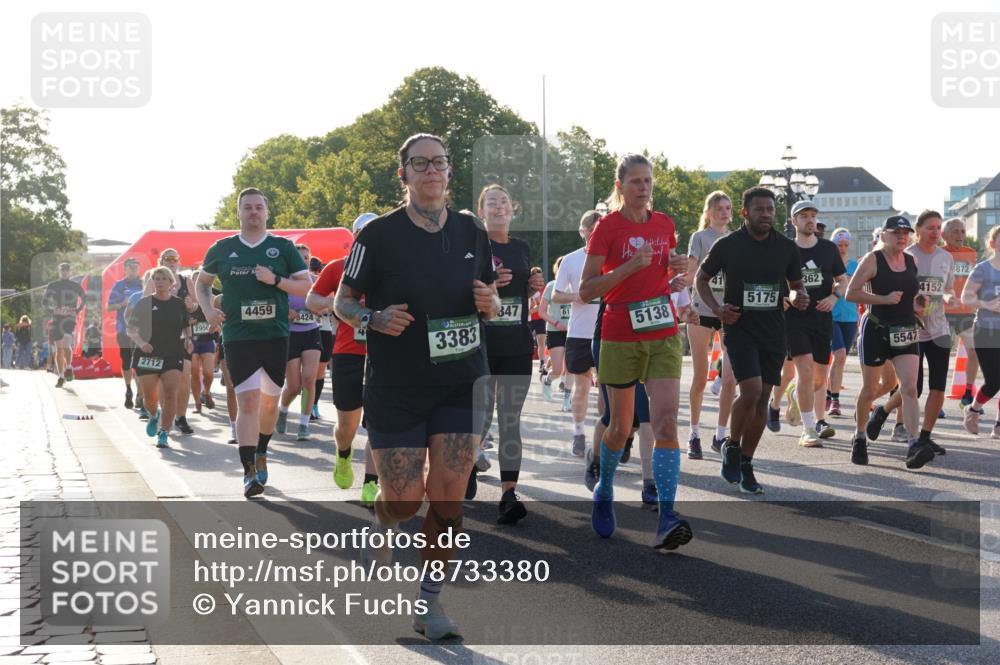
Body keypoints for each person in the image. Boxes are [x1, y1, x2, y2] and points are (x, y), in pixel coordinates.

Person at [334, 133, 500, 640]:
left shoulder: (473, 231)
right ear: (403, 173)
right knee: (405, 501)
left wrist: (490, 303)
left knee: (448, 496)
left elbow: (488, 295)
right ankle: (386, 515)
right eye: (419, 163)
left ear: (450, 173)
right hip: (397, 384)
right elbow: (343, 301)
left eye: (440, 162)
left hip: (461, 381)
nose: (431, 170)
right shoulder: (378, 236)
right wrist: (373, 316)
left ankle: (430, 605)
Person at [579, 153, 692, 549]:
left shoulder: (664, 223)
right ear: (620, 186)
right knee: (620, 427)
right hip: (619, 332)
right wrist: (628, 268)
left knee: (665, 422)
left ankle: (666, 515)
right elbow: (588, 289)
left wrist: (677, 274)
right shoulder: (607, 228)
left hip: (662, 330)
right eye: (635, 182)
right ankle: (605, 489)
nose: (643, 188)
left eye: (648, 182)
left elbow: (662, 276)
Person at [196, 187, 311, 498]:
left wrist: (275, 280)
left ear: (266, 212)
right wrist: (208, 309)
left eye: (259, 207)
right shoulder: (222, 248)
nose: (253, 212)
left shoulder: (282, 247)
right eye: (247, 207)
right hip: (238, 335)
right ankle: (249, 473)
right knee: (247, 401)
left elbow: (305, 287)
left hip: (274, 335)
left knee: (270, 402)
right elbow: (202, 283)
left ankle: (262, 449)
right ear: (239, 213)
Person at [696, 187, 808, 494]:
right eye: (759, 210)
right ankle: (732, 445)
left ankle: (746, 461)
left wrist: (799, 297)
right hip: (739, 328)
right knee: (752, 390)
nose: (766, 215)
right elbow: (701, 278)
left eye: (770, 210)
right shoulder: (728, 245)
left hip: (774, 330)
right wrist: (717, 310)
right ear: (745, 213)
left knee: (762, 399)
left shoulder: (785, 248)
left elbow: (796, 285)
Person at [469, 184, 544, 523]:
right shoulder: (472, 247)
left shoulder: (521, 247)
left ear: (512, 210)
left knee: (510, 418)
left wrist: (531, 285)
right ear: (481, 210)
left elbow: (524, 293)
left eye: (504, 203)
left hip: (515, 343)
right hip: (481, 345)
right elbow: (458, 291)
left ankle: (508, 494)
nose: (499, 207)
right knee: (480, 416)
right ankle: (468, 462)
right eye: (492, 203)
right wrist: (489, 284)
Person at [846, 215, 933, 469]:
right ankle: (860, 436)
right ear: (883, 235)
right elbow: (850, 293)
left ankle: (914, 444)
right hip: (876, 327)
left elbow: (912, 293)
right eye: (896, 232)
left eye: (906, 232)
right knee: (870, 389)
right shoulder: (873, 259)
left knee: (909, 388)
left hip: (905, 327)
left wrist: (919, 302)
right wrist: (883, 299)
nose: (902, 236)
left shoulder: (911, 260)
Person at [866, 211, 954, 454]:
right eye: (930, 228)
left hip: (939, 328)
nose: (935, 232)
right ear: (918, 230)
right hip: (911, 328)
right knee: (912, 386)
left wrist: (949, 296)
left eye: (938, 228)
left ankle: (924, 437)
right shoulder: (907, 256)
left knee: (938, 386)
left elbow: (946, 288)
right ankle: (883, 411)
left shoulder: (946, 257)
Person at [308, 213, 380, 504]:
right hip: (348, 352)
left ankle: (371, 483)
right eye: (362, 232)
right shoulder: (339, 268)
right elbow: (312, 300)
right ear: (354, 236)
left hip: (384, 355)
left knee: (378, 424)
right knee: (347, 426)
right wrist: (332, 304)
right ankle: (343, 453)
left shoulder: (393, 269)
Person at [767, 200, 847, 447]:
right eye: (804, 216)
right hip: (794, 319)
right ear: (794, 221)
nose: (810, 220)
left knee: (820, 378)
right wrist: (786, 297)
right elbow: (774, 283)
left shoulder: (828, 249)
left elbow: (843, 280)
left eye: (813, 216)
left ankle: (793, 392)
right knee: (805, 370)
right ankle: (809, 429)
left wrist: (834, 297)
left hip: (822, 318)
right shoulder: (784, 250)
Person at [686, 190, 738, 458]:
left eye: (728, 207)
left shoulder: (737, 238)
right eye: (719, 207)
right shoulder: (700, 237)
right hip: (701, 310)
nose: (724, 212)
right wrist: (685, 302)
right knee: (699, 377)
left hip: (728, 312)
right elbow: (692, 272)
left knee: (730, 379)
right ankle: (694, 433)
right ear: (708, 212)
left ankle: (720, 435)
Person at [552, 211, 602, 456]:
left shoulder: (613, 258)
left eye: (600, 229)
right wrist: (579, 296)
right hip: (580, 332)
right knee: (582, 386)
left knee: (608, 388)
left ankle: (607, 434)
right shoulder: (571, 260)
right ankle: (579, 432)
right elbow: (556, 295)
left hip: (609, 331)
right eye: (591, 230)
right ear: (583, 232)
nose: (596, 233)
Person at [127, 267, 194, 448]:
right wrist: (142, 343)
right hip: (148, 354)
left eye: (164, 278)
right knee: (150, 397)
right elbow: (131, 330)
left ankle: (164, 432)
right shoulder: (144, 303)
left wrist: (188, 339)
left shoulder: (179, 304)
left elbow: (186, 326)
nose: (160, 281)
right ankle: (154, 415)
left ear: (171, 282)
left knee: (171, 393)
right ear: (152, 282)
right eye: (156, 278)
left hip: (173, 353)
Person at [275, 243, 323, 441]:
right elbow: (274, 304)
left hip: (311, 332)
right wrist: (286, 311)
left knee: (310, 379)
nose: (302, 260)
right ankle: (283, 409)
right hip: (290, 334)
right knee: (294, 386)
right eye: (298, 257)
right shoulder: (284, 281)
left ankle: (304, 424)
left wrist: (318, 309)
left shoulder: (315, 281)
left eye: (306, 257)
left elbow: (328, 304)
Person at [149, 249, 199, 435]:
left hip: (183, 336)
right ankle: (165, 416)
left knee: (185, 377)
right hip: (160, 339)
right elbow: (145, 304)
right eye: (167, 259)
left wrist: (191, 306)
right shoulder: (153, 279)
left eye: (175, 259)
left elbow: (195, 306)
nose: (171, 261)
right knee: (164, 380)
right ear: (160, 261)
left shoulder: (186, 281)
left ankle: (181, 417)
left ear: (179, 262)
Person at [960, 225, 1000, 438]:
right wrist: (989, 305)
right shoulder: (983, 269)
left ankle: (999, 424)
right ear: (993, 244)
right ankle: (973, 410)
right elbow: (966, 298)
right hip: (986, 330)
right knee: (994, 380)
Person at [943, 217, 981, 407]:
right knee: (940, 355)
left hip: (965, 311)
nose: (960, 235)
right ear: (944, 235)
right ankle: (936, 400)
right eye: (955, 231)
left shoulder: (971, 253)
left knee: (974, 351)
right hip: (942, 311)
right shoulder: (938, 253)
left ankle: (967, 393)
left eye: (962, 231)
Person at [827, 228, 860, 416]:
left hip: (850, 317)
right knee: (838, 355)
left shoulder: (855, 266)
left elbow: (861, 288)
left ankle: (829, 393)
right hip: (830, 316)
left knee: (841, 359)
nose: (843, 248)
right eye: (839, 245)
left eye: (846, 245)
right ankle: (835, 400)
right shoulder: (828, 264)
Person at [107, 257, 145, 408]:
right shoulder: (119, 285)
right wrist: (122, 304)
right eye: (130, 266)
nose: (133, 268)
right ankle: (129, 389)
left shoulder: (144, 283)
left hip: (143, 329)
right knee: (127, 361)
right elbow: (108, 308)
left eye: (136, 265)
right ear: (125, 268)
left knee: (141, 361)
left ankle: (140, 393)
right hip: (124, 329)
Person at [43, 262, 85, 387]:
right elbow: (44, 302)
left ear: (70, 272)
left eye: (67, 270)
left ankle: (68, 366)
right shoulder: (53, 285)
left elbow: (85, 298)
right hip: (56, 318)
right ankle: (61, 376)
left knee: (66, 343)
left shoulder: (75, 285)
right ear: (59, 271)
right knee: (59, 348)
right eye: (62, 270)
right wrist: (52, 310)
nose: (64, 272)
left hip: (69, 318)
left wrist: (76, 310)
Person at [538, 256, 570, 402]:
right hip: (555, 331)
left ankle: (567, 400)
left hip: (573, 332)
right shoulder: (551, 286)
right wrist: (557, 323)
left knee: (570, 368)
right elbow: (542, 311)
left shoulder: (576, 285)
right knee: (557, 370)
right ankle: (547, 380)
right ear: (557, 269)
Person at [188, 270, 219, 415]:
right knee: (194, 373)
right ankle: (197, 403)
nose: (196, 284)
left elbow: (220, 319)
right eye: (194, 281)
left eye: (198, 280)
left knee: (208, 373)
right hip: (192, 341)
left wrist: (215, 328)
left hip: (207, 340)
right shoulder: (187, 301)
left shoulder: (211, 298)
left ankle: (206, 393)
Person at [309, 256, 334, 421]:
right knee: (306, 374)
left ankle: (313, 405)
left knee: (319, 372)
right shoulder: (295, 280)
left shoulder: (325, 282)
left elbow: (334, 304)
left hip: (325, 329)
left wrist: (327, 309)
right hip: (305, 329)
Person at [527, 267, 547, 378]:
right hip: (529, 320)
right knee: (528, 342)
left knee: (541, 342)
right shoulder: (529, 287)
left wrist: (532, 310)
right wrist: (529, 311)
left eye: (540, 275)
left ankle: (542, 363)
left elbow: (540, 304)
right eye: (535, 275)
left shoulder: (544, 288)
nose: (538, 277)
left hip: (540, 318)